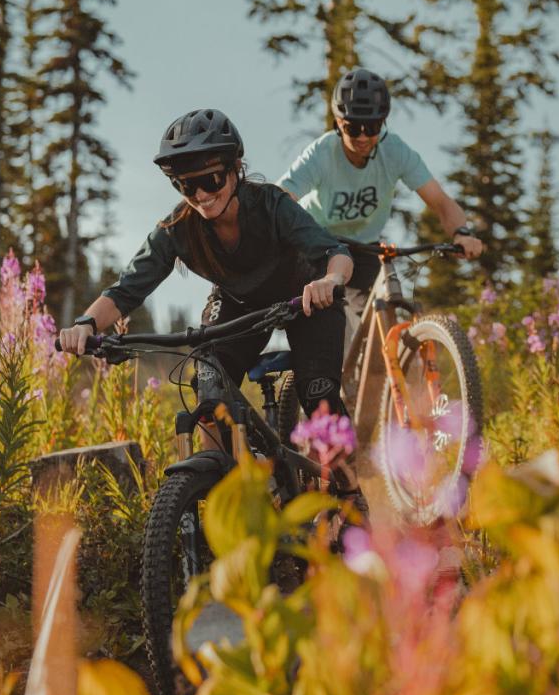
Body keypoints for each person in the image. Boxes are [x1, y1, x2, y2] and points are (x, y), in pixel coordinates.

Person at [57, 108, 367, 510]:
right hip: (238, 305)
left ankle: (351, 495)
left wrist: (329, 282)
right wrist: (85, 323)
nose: (202, 195)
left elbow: (335, 254)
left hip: (305, 300)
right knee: (209, 389)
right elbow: (126, 290)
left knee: (319, 399)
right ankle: (230, 497)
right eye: (187, 186)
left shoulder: (271, 204)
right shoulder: (178, 228)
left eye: (211, 180)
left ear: (236, 168)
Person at [277, 68, 484, 347]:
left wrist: (461, 231)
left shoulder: (395, 151)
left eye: (372, 128)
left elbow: (440, 201)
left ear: (383, 123)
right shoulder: (322, 153)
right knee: (334, 332)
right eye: (352, 127)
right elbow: (282, 197)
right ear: (338, 122)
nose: (362, 137)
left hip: (365, 248)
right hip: (320, 248)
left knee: (379, 331)